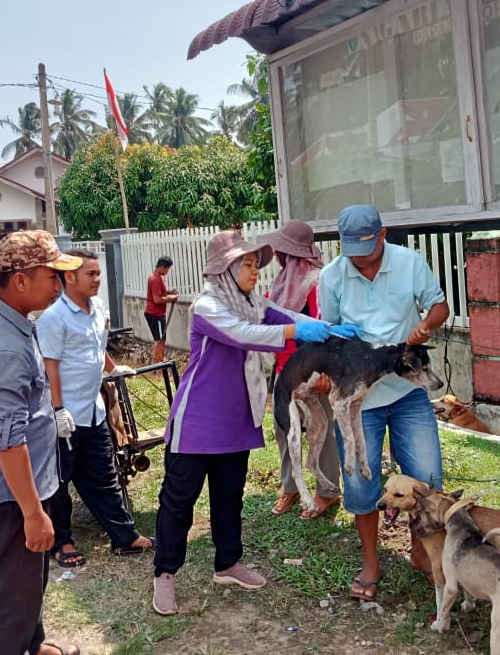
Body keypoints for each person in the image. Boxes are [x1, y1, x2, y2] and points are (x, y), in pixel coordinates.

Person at [151, 230, 359, 616]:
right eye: (246, 264)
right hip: (197, 422)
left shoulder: (252, 303)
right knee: (179, 501)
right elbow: (244, 335)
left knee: (229, 497)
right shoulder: (208, 306)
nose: (255, 271)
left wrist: (328, 330)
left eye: (254, 264)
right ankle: (165, 572)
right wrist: (297, 332)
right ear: (225, 269)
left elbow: (287, 316)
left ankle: (228, 563)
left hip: (237, 420)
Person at [0, 229, 83, 655]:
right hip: (11, 495)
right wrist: (32, 513)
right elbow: (9, 442)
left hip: (18, 485)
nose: (59, 285)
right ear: (21, 280)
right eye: (52, 276)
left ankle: (34, 645)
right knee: (11, 597)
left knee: (27, 581)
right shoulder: (5, 349)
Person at [317, 204, 450, 603]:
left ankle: (420, 552)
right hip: (360, 399)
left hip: (408, 393)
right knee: (361, 482)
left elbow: (440, 306)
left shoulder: (409, 263)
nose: (359, 259)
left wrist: (426, 325)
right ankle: (371, 562)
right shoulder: (332, 276)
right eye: (351, 251)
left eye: (366, 250)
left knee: (426, 477)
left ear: (382, 235)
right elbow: (330, 334)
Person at [36, 250, 154, 568]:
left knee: (104, 475)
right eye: (90, 274)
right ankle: (61, 542)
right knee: (60, 482)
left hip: (93, 410)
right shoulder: (53, 318)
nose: (97, 279)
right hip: (65, 416)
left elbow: (97, 346)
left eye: (98, 273)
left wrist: (113, 369)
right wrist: (58, 410)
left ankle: (125, 536)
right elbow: (50, 366)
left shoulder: (98, 307)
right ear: (69, 277)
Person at [258, 219, 341, 520]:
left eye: (282, 251)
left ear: (292, 254)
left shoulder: (318, 283)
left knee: (322, 429)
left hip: (313, 372)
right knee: (284, 428)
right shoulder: (281, 282)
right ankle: (290, 486)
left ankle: (327, 491)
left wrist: (326, 372)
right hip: (284, 369)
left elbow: (327, 327)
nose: (278, 256)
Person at [145, 256, 179, 341]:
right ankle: (159, 351)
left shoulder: (157, 277)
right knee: (160, 341)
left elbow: (159, 292)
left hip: (156, 314)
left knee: (160, 340)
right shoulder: (155, 279)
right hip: (155, 315)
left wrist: (170, 292)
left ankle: (159, 350)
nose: (168, 271)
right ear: (162, 267)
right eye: (167, 269)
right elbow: (157, 300)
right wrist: (172, 299)